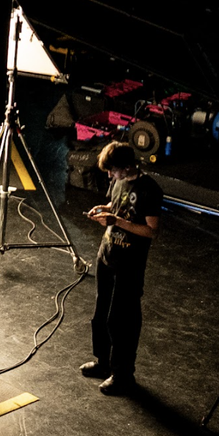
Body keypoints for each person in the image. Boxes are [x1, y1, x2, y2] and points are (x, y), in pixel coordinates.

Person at [82, 140, 162, 394]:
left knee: (122, 320)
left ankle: (123, 375)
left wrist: (116, 221)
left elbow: (151, 231)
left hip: (129, 264)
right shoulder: (118, 180)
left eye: (113, 170)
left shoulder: (149, 189)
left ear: (127, 167)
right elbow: (117, 206)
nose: (110, 175)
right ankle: (103, 362)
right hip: (107, 255)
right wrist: (103, 210)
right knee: (101, 314)